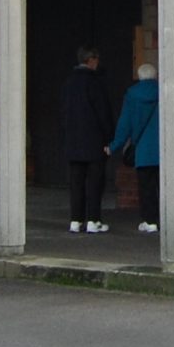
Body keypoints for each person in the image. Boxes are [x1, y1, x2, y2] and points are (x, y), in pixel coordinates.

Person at [60, 46, 112, 233]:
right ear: (91, 60)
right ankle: (93, 220)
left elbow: (62, 113)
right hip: (94, 141)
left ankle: (75, 220)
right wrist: (108, 139)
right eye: (96, 59)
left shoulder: (68, 83)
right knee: (95, 182)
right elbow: (103, 113)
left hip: (73, 141)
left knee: (76, 182)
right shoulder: (95, 83)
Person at [110, 63, 161, 234]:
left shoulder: (132, 95)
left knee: (146, 187)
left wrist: (114, 145)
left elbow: (125, 123)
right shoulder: (163, 91)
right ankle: (169, 219)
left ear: (139, 77)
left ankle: (150, 221)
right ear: (155, 76)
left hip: (144, 151)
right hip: (164, 150)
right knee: (165, 187)